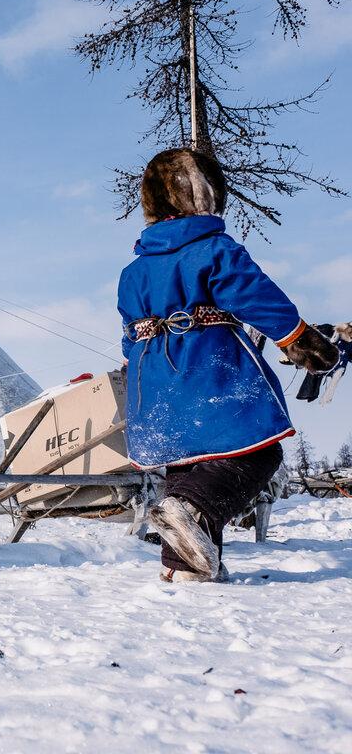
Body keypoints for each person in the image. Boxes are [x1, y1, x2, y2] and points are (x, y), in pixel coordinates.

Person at [118, 148, 338, 583]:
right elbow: (255, 295)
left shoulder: (133, 271)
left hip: (153, 384)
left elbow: (129, 337)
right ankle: (190, 512)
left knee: (188, 466)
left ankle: (188, 568)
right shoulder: (214, 249)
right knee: (257, 454)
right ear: (208, 196)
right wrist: (298, 338)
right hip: (209, 368)